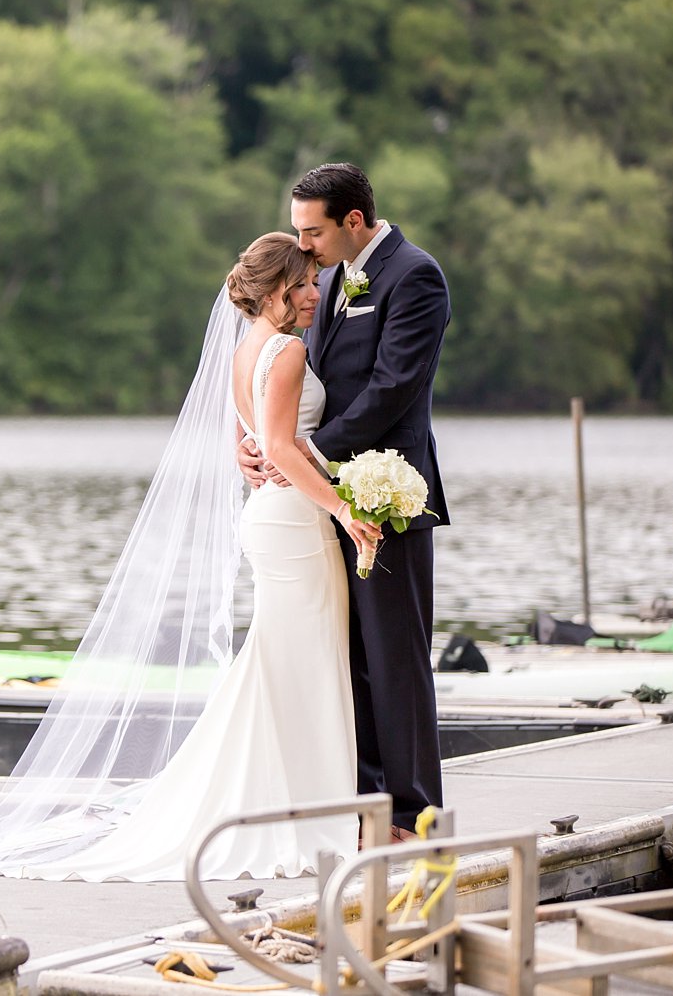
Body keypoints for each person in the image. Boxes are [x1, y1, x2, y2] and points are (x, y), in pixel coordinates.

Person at [0, 233, 379, 883]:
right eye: (305, 285)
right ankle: (299, 808)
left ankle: (290, 802)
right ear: (277, 290)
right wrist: (344, 508)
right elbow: (281, 447)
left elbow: (251, 434)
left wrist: (280, 466)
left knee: (284, 662)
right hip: (295, 523)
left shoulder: (244, 347)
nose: (315, 294)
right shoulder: (283, 351)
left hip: (272, 519)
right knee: (304, 659)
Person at [241, 163, 452, 841]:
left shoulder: (415, 276)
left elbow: (392, 389)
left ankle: (412, 812)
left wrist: (301, 451)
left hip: (388, 493)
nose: (304, 246)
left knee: (394, 653)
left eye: (313, 231)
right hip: (320, 498)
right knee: (344, 652)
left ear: (352, 222)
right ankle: (362, 799)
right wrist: (259, 446)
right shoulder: (323, 278)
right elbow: (284, 380)